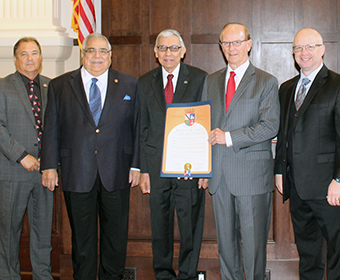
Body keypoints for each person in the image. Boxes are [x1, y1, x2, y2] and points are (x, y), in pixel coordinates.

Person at [40, 33, 140, 280]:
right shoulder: (60, 85)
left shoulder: (129, 84)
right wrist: (49, 165)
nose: (97, 56)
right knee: (82, 240)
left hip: (117, 171)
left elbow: (138, 128)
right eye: (91, 51)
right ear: (82, 54)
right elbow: (51, 127)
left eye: (102, 51)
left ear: (110, 56)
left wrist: (136, 165)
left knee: (115, 238)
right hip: (77, 170)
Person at [202, 23, 280, 279]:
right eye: (227, 43)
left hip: (252, 177)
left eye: (237, 42)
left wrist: (230, 138)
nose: (232, 48)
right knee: (226, 247)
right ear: (221, 47)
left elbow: (270, 126)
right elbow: (204, 127)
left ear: (249, 44)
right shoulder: (211, 80)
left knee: (254, 249)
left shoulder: (267, 81)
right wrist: (204, 166)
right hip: (219, 176)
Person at [137, 29, 208, 280]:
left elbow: (205, 125)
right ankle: (164, 274)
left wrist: (204, 169)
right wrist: (143, 169)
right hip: (156, 169)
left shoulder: (200, 79)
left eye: (174, 48)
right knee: (160, 227)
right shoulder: (144, 82)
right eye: (163, 48)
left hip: (189, 169)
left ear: (183, 51)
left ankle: (188, 275)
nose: (169, 53)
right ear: (155, 53)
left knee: (190, 227)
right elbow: (141, 129)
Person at [274, 28, 340, 280]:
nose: (304, 53)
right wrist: (279, 171)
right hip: (297, 187)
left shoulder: (337, 84)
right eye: (299, 48)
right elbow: (283, 135)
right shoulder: (286, 89)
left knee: (336, 251)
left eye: (310, 46)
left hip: (328, 188)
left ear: (322, 49)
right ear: (293, 53)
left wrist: (339, 180)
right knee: (308, 251)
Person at [0, 37, 53, 279]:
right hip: (13, 172)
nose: (30, 58)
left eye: (34, 53)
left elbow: (58, 128)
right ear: (15, 59)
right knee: (9, 235)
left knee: (43, 235)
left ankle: (42, 276)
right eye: (24, 54)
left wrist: (52, 162)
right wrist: (22, 156)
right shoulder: (2, 86)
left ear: (41, 58)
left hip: (45, 173)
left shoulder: (52, 87)